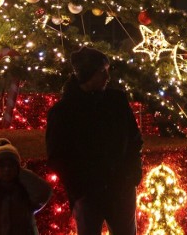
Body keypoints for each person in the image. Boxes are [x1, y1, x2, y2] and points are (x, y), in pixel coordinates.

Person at [46, 46, 143, 235]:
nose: (107, 77)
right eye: (102, 72)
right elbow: (57, 155)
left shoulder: (116, 101)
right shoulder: (64, 111)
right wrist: (79, 187)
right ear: (88, 74)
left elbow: (134, 139)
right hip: (88, 193)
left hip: (120, 188)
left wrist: (132, 174)